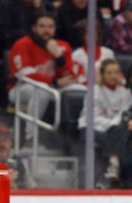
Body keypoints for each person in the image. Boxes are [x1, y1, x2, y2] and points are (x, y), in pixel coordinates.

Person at [8, 10, 79, 140]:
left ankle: (76, 136)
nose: (46, 30)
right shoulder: (22, 44)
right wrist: (54, 81)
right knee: (41, 90)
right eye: (42, 26)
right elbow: (25, 74)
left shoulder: (62, 46)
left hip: (52, 87)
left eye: (50, 27)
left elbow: (69, 76)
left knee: (81, 91)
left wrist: (58, 57)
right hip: (21, 88)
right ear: (34, 28)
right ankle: (30, 137)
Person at [0, 122, 33, 188]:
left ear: (11, 143)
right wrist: (3, 181)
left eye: (5, 141)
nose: (2, 145)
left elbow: (33, 191)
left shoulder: (19, 165)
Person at [71, 20, 115, 85]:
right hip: (84, 90)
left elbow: (115, 74)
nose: (91, 35)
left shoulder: (108, 53)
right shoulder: (76, 55)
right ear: (83, 35)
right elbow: (78, 79)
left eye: (94, 32)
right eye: (88, 32)